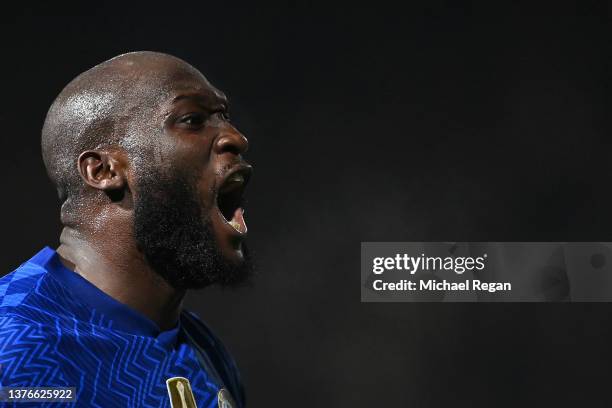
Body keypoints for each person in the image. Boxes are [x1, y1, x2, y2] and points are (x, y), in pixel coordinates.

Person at [0, 51, 253, 407]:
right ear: (102, 171)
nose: (236, 138)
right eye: (193, 120)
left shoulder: (202, 345)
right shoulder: (14, 349)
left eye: (224, 117)